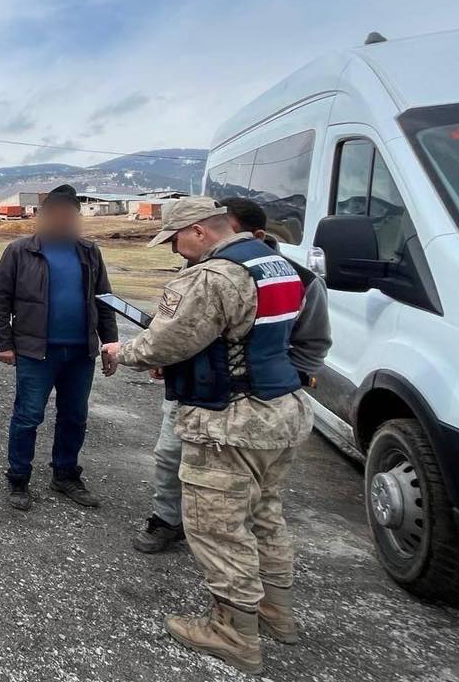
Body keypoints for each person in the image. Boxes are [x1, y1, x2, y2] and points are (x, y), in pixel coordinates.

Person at [102, 197, 315, 675]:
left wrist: (124, 351)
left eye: (175, 239)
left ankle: (233, 633)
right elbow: (243, 339)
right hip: (282, 411)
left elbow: (169, 340)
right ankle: (275, 612)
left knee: (218, 526)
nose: (174, 249)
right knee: (264, 514)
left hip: (231, 420)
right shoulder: (276, 265)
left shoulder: (212, 276)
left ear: (199, 231)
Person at [133, 197, 332, 554]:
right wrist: (171, 359)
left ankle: (232, 563)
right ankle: (169, 520)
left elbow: (311, 344)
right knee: (170, 457)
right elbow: (185, 333)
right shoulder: (206, 266)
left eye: (231, 232)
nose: (175, 250)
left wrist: (274, 381)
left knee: (226, 518)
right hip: (195, 393)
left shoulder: (291, 278)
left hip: (237, 409)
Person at [0, 184, 119, 511]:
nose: (64, 220)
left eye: (70, 215)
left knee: (75, 416)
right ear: (44, 216)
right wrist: (5, 343)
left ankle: (65, 475)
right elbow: (0, 299)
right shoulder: (20, 251)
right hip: (36, 352)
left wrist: (110, 343)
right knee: (28, 416)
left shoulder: (89, 252)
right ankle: (18, 478)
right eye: (57, 214)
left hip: (80, 353)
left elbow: (104, 300)